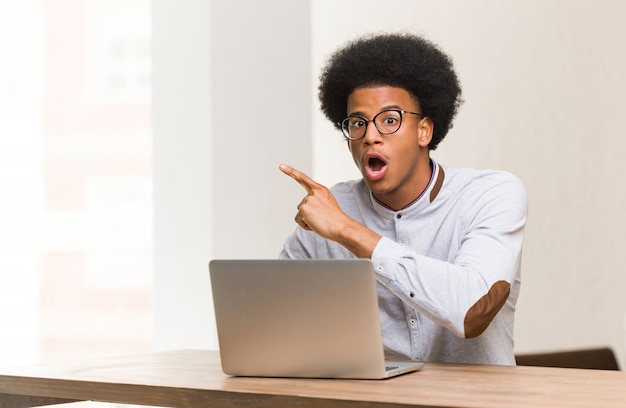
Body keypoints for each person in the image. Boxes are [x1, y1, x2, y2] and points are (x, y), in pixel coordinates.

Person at [278, 32, 527, 366]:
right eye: (357, 123)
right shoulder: (331, 207)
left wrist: (348, 232)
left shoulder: (491, 195)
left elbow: (472, 311)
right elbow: (272, 320)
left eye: (390, 120)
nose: (370, 136)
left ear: (424, 131)